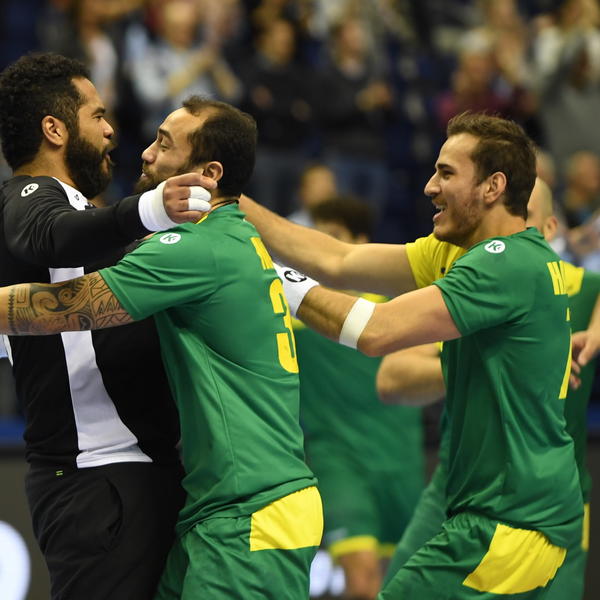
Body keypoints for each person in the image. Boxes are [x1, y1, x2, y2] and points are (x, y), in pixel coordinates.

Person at [239, 112, 582, 598]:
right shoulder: (471, 255)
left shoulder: (504, 264)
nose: (429, 187)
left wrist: (269, 276)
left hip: (506, 521)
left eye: (446, 173)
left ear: (493, 186)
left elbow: (375, 332)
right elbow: (337, 259)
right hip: (519, 515)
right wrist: (232, 202)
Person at [0, 94, 322, 599]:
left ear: (208, 174)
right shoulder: (231, 240)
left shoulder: (192, 250)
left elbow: (66, 308)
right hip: (218, 504)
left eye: (165, 145)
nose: (146, 153)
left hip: (251, 506)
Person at [0, 52, 215, 599]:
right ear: (55, 129)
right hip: (97, 476)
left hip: (137, 472)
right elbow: (49, 235)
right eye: (96, 115)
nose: (110, 130)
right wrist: (149, 209)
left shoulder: (85, 217)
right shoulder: (29, 198)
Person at [376, 178, 600, 599]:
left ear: (549, 229)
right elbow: (391, 379)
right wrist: (496, 368)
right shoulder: (464, 284)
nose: (506, 230)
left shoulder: (584, 289)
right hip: (457, 489)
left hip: (550, 506)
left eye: (523, 217)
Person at [296, 196, 424, 600]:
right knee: (362, 579)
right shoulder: (295, 312)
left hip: (401, 464)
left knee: (397, 587)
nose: (320, 253)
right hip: (338, 463)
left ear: (360, 244)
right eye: (315, 239)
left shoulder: (400, 313)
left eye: (333, 238)